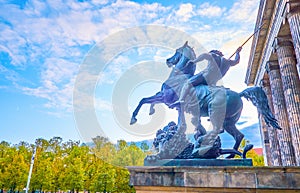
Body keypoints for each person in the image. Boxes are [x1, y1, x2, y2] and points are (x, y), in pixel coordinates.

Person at [171, 47, 242, 107]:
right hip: (213, 81)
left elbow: (204, 55)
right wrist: (237, 52)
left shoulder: (213, 55)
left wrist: (194, 61)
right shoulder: (228, 62)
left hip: (204, 76)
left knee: (187, 83)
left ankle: (181, 100)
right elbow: (236, 61)